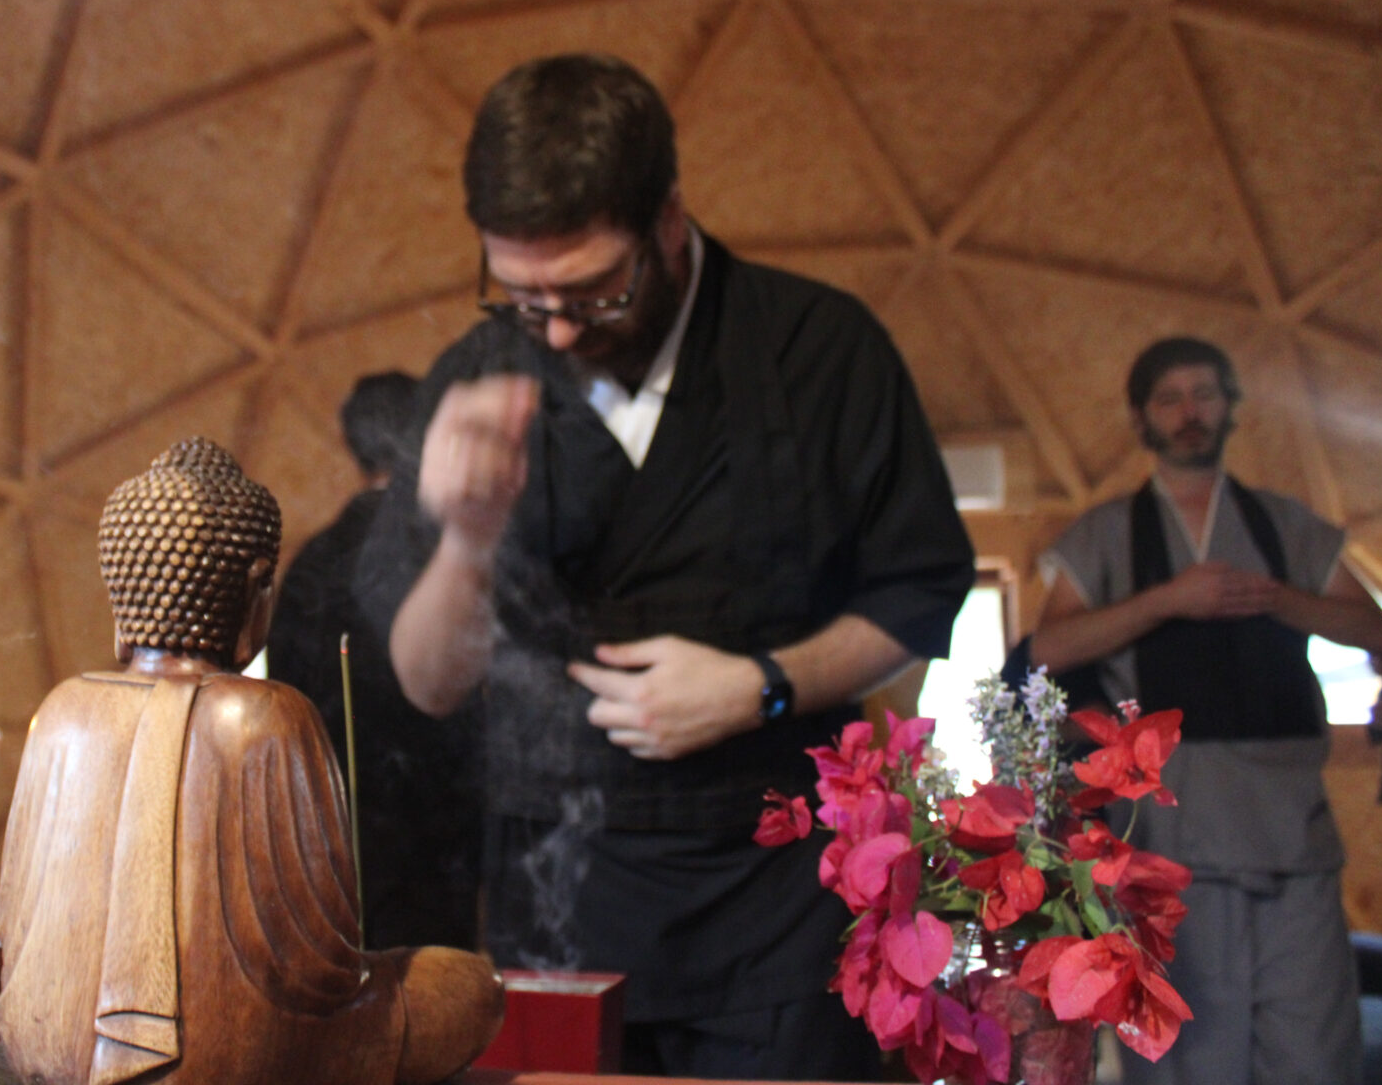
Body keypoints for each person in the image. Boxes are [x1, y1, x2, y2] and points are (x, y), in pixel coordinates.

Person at [356, 53, 976, 1080]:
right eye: (522, 296)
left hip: (780, 899)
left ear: (669, 221)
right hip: (554, 902)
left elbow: (918, 594)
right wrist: (467, 538)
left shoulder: (821, 348)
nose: (557, 328)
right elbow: (429, 681)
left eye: (593, 292)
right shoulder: (478, 373)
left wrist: (762, 685)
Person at [0, 438, 503, 1085]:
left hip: (46, 1045)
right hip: (244, 1057)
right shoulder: (269, 718)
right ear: (257, 587)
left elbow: (16, 925)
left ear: (118, 593)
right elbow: (322, 964)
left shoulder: (62, 712)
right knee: (470, 986)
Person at [1029, 336, 1382, 1085]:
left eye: (1204, 394)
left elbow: (1375, 628)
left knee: (1315, 1055)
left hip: (1289, 827)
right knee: (1192, 1058)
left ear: (1230, 407)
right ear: (1141, 418)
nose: (1189, 412)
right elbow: (1046, 649)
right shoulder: (1102, 534)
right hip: (1167, 837)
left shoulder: (1284, 525)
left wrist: (1280, 599)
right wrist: (1168, 601)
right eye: (1170, 398)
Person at [267, 371, 484, 951]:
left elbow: (282, 700)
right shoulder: (449, 558)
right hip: (437, 842)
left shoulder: (311, 563)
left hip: (328, 836)